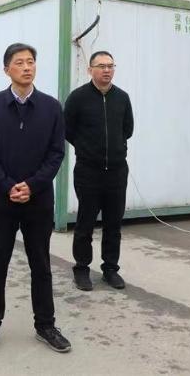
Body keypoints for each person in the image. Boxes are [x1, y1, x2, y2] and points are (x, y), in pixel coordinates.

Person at [0, 43, 70, 355]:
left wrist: (32, 185)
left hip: (38, 201)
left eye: (31, 62)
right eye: (19, 62)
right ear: (7, 70)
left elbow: (56, 153)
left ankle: (46, 325)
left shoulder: (51, 107)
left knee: (41, 264)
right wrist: (7, 186)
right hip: (1, 201)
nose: (27, 67)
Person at [64, 50, 134, 291]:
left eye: (110, 66)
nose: (106, 70)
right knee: (85, 223)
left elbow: (128, 129)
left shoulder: (122, 98)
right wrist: (86, 148)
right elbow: (67, 129)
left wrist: (116, 149)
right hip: (88, 172)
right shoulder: (78, 98)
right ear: (90, 70)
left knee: (113, 224)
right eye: (101, 66)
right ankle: (82, 269)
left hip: (116, 172)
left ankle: (110, 269)